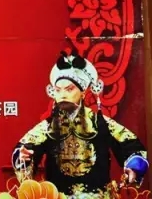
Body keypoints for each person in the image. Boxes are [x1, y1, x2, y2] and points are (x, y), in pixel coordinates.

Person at [11, 51, 149, 198]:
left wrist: (134, 167)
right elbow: (25, 148)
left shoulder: (101, 123)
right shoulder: (47, 128)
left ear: (83, 92)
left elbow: (131, 146)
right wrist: (23, 157)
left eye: (69, 89)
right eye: (58, 90)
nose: (63, 95)